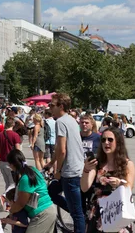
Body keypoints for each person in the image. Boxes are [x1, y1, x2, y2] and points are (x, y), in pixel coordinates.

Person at [81, 128, 135, 232]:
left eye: (110, 140)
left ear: (118, 142)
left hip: (118, 211)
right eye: (103, 140)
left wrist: (119, 183)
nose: (106, 143)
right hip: (98, 211)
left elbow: (129, 187)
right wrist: (86, 169)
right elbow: (84, 187)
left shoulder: (127, 164)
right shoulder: (97, 164)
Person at [46, 93, 85, 233]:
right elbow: (60, 149)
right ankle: (77, 209)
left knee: (77, 215)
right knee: (51, 191)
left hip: (70, 172)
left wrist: (58, 171)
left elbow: (62, 150)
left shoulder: (61, 122)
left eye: (52, 105)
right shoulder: (71, 119)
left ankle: (81, 217)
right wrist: (51, 163)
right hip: (76, 167)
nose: (49, 107)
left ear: (61, 106)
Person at [6, 149, 57, 233]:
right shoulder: (33, 170)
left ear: (13, 165)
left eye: (9, 165)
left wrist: (11, 211)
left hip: (42, 214)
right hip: (48, 210)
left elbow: (20, 204)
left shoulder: (25, 179)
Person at [0, 117, 21, 192]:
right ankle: (4, 197)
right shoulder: (15, 135)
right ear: (13, 125)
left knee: (7, 183)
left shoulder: (0, 135)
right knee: (13, 183)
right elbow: (17, 150)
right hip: (12, 162)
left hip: (3, 161)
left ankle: (8, 201)